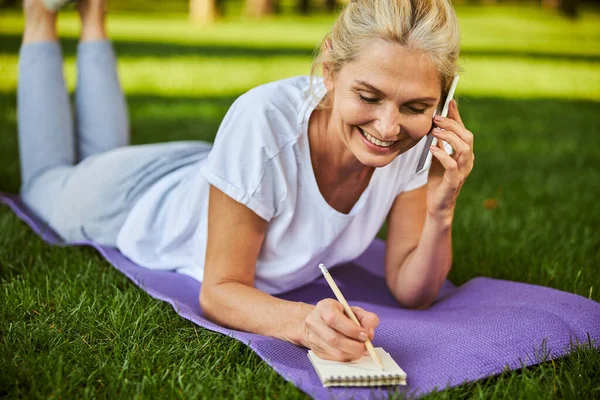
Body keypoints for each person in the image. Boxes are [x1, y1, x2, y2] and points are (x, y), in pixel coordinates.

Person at [18, 0, 474, 363]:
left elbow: (413, 291)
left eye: (415, 107)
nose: (389, 127)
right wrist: (303, 323)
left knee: (99, 154)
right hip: (134, 199)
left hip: (219, 175)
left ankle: (94, 11)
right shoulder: (264, 120)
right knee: (45, 182)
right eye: (368, 96)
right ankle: (40, 15)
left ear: (442, 99)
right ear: (331, 68)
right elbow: (219, 291)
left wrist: (441, 208)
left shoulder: (419, 144)